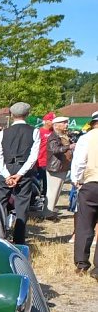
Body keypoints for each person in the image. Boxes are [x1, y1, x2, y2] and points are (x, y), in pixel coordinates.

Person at [0, 102, 40, 245]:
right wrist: (20, 174)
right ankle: (19, 240)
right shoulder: (34, 131)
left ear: (12, 115)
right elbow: (33, 156)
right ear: (27, 114)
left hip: (6, 168)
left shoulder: (3, 133)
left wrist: (6, 174)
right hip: (23, 171)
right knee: (22, 206)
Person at [71, 111, 98, 279]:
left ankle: (82, 263)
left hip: (91, 183)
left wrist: (77, 180)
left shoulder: (87, 138)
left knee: (85, 225)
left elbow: (79, 161)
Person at [45, 116, 74, 220]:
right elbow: (55, 149)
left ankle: (50, 211)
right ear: (56, 125)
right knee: (53, 192)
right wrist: (69, 147)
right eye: (64, 123)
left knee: (56, 191)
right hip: (55, 167)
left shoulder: (63, 135)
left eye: (66, 122)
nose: (66, 124)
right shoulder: (54, 136)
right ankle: (48, 213)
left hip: (61, 167)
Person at [36, 112, 55, 201]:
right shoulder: (39, 132)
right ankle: (40, 197)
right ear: (46, 121)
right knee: (40, 181)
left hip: (51, 161)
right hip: (40, 161)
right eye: (52, 121)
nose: (53, 123)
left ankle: (47, 198)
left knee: (48, 182)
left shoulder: (54, 132)